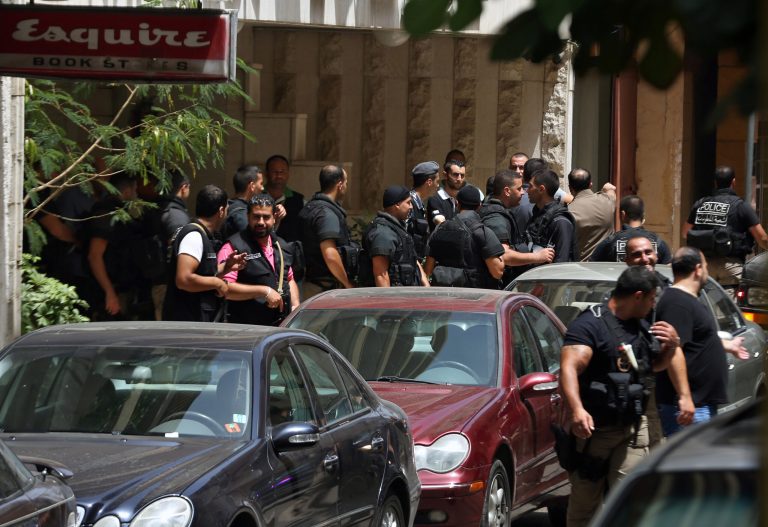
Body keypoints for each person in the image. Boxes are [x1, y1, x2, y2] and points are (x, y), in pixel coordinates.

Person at [559, 266, 679, 527]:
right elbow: (569, 367)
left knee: (631, 502)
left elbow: (651, 367)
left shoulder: (644, 324)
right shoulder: (590, 324)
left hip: (634, 429)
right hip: (596, 433)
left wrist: (671, 347)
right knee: (584, 508)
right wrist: (577, 410)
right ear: (638, 295)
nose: (653, 304)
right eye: (651, 298)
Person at [655, 247, 750, 436]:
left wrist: (728, 346)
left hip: (699, 405)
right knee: (687, 464)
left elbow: (695, 339)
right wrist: (684, 397)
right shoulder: (677, 303)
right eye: (706, 266)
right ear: (698, 269)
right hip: (690, 408)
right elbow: (674, 350)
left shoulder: (688, 301)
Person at [163, 185, 244, 322]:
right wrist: (217, 283)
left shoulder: (203, 235)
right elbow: (184, 279)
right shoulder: (194, 235)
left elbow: (201, 274)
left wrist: (225, 267)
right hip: (186, 324)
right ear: (221, 211)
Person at [218, 194, 300, 325]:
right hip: (247, 330)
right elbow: (224, 289)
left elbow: (289, 279)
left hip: (279, 326)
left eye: (266, 217)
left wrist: (295, 307)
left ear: (274, 218)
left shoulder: (281, 245)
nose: (261, 222)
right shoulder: (234, 247)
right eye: (256, 216)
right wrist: (263, 291)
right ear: (248, 217)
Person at [683, 166, 768, 290]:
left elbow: (685, 233)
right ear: (733, 182)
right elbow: (762, 238)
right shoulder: (741, 206)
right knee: (727, 308)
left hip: (703, 267)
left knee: (704, 305)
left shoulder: (700, 204)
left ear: (715, 182)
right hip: (731, 267)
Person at [479, 169, 554, 285]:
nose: (523, 192)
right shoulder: (496, 218)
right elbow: (504, 255)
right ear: (507, 191)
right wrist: (537, 257)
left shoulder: (500, 211)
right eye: (519, 189)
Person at [85, 173, 143, 320]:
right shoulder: (106, 213)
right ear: (127, 191)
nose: (136, 194)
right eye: (135, 189)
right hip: (108, 291)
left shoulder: (118, 211)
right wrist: (109, 292)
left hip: (122, 287)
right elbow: (94, 256)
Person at [424, 185, 504, 288]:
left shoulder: (439, 229)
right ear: (479, 205)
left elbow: (428, 270)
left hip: (443, 296)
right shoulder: (482, 232)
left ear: (457, 203)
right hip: (473, 298)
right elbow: (497, 272)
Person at [298, 165, 356, 298]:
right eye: (346, 182)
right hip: (324, 288)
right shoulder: (327, 213)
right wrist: (347, 283)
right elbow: (330, 253)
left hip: (314, 285)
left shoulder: (311, 207)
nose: (346, 186)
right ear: (340, 184)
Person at [362, 185, 428, 287]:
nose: (411, 207)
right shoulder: (383, 233)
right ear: (397, 205)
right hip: (393, 298)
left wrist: (426, 287)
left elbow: (413, 260)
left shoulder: (399, 229)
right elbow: (381, 275)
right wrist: (389, 302)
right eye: (408, 202)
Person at [590, 195, 672, 263]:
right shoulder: (658, 242)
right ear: (643, 215)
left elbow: (593, 266)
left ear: (623, 214)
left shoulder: (610, 241)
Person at [526, 168, 577, 262]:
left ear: (541, 189)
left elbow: (561, 262)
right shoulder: (537, 215)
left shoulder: (561, 222)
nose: (527, 191)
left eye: (530, 186)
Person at [567, 168, 616, 261]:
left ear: (570, 188)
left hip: (582, 268)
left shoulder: (568, 212)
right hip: (607, 266)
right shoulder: (607, 201)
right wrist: (605, 189)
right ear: (591, 184)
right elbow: (611, 189)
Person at [511, 157, 572, 232]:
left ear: (542, 189)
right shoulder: (535, 208)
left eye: (521, 167)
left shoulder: (560, 220)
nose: (517, 171)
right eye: (513, 167)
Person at [265, 154, 305, 242]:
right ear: (266, 174)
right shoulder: (257, 197)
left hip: (288, 251)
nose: (278, 175)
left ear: (288, 174)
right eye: (274, 171)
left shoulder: (299, 200)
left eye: (282, 171)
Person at [407, 161, 440, 260]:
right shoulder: (409, 204)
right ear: (429, 182)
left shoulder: (418, 204)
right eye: (437, 182)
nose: (438, 186)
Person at [427, 155, 466, 231]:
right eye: (455, 174)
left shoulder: (463, 199)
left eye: (462, 175)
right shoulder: (435, 198)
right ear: (445, 175)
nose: (459, 179)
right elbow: (440, 222)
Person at [223, 165, 262, 238]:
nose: (262, 188)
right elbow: (254, 240)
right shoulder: (241, 213)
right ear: (252, 186)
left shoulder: (226, 206)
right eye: (261, 183)